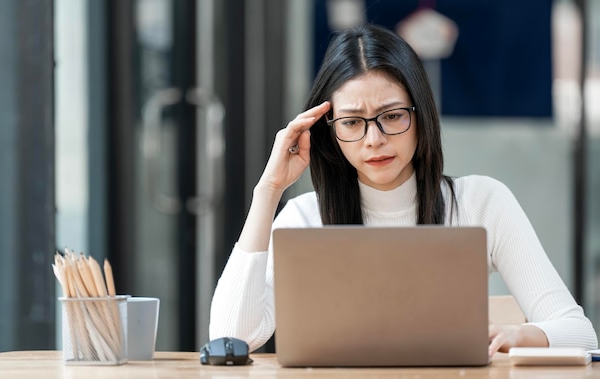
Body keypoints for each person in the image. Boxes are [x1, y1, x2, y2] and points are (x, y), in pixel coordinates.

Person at [209, 23, 598, 355]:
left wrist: (518, 334)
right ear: (330, 131)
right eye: (351, 122)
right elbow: (231, 336)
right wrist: (269, 190)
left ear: (421, 114)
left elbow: (580, 333)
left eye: (391, 116)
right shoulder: (304, 218)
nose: (374, 139)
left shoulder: (482, 202)